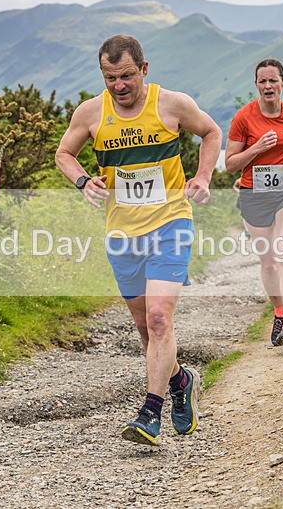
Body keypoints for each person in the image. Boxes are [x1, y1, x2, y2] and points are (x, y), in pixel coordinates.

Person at [55, 34, 222, 446]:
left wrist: (202, 177)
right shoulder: (91, 112)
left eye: (127, 75)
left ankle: (150, 414)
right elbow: (64, 153)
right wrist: (83, 181)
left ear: (144, 69)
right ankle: (181, 380)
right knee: (146, 328)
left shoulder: (171, 104)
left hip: (170, 223)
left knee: (160, 317)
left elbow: (211, 132)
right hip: (122, 232)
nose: (119, 85)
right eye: (110, 77)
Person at [224, 59, 283, 348]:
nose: (268, 86)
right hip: (254, 194)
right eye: (262, 81)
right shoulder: (243, 118)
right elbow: (230, 164)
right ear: (256, 84)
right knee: (268, 263)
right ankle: (279, 314)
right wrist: (256, 148)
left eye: (273, 81)